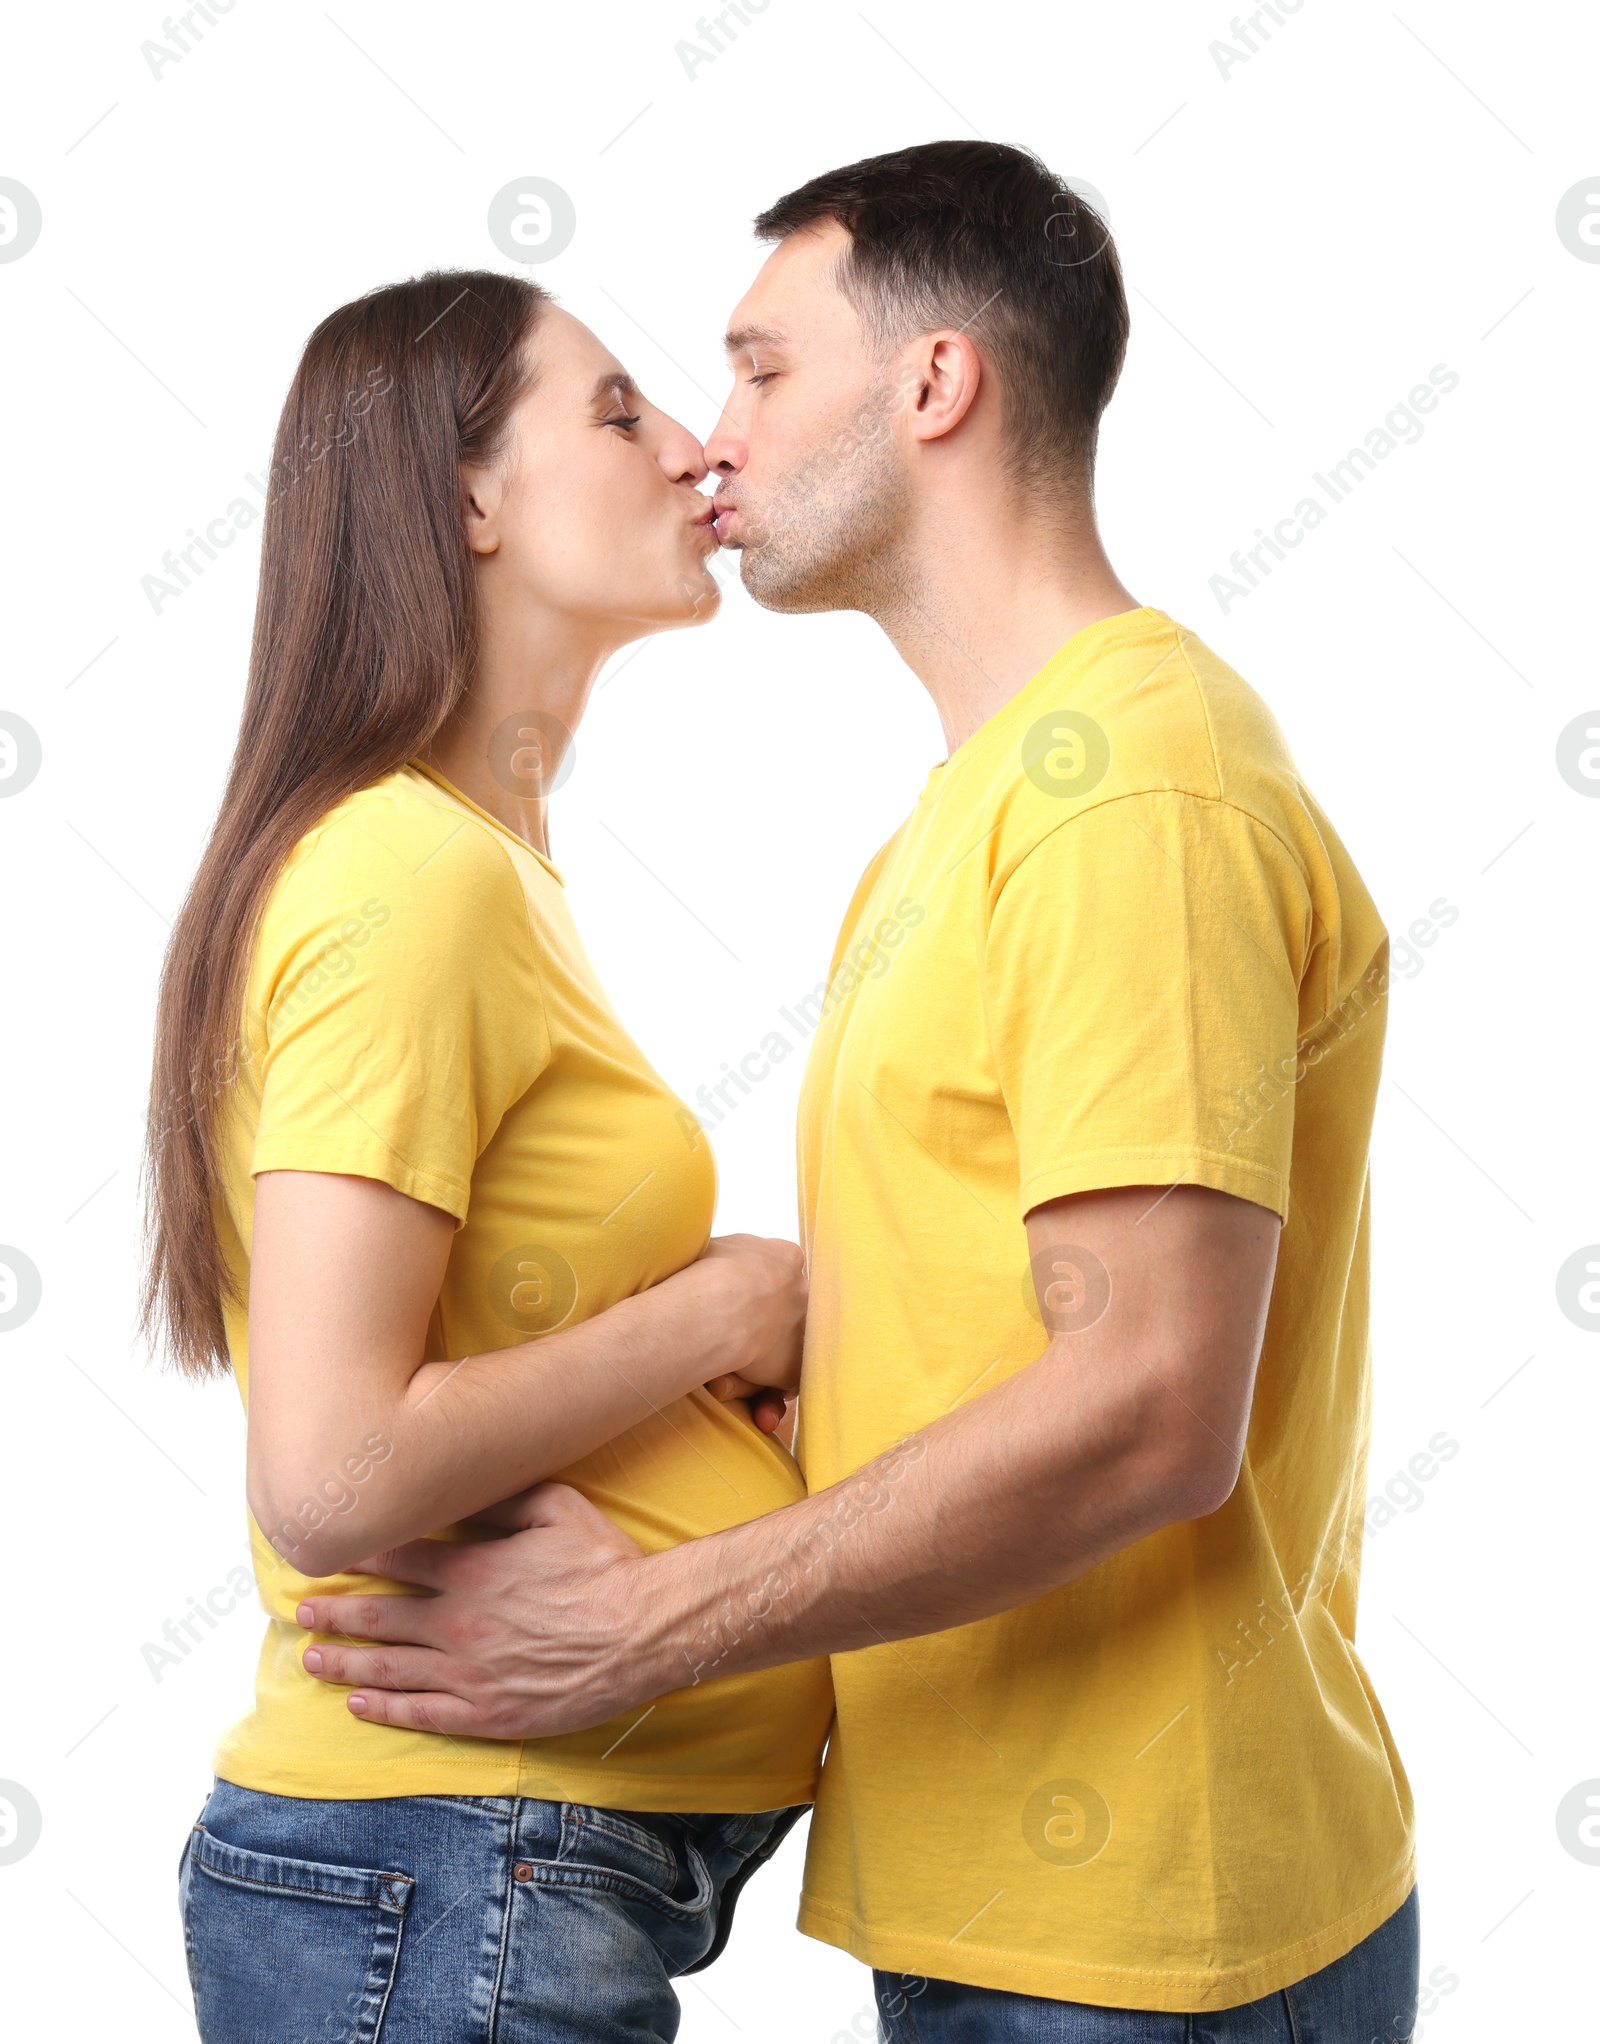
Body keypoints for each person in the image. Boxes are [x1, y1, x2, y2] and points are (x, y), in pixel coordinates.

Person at [295, 146, 1420, 2039]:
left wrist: (643, 1620)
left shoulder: (1125, 794)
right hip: (1011, 1913)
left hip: (1143, 1941)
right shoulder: (967, 823)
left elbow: (1149, 1407)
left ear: (934, 388)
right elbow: (1010, 1331)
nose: (711, 443)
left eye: (755, 368)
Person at [141, 268, 834, 2042]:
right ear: (465, 501)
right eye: (617, 412)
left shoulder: (479, 862)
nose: (693, 452)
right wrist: (723, 1310)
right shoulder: (412, 878)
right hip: (446, 1874)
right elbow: (337, 1465)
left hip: (480, 1877)